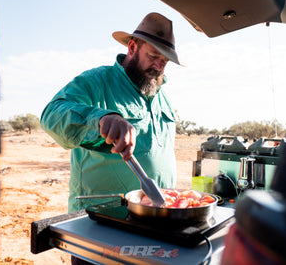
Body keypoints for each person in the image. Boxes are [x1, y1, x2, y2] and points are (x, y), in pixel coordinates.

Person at [40, 12, 183, 213]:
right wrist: (101, 118)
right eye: (153, 56)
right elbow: (51, 115)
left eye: (165, 61)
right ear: (132, 47)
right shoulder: (97, 81)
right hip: (100, 218)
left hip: (156, 215)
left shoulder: (160, 93)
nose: (158, 67)